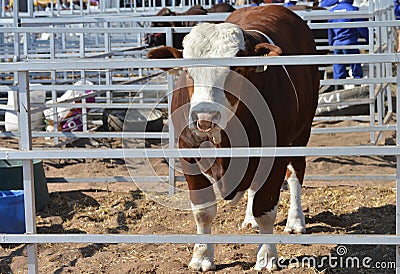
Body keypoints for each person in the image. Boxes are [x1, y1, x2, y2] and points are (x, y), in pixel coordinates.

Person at [327, 0, 369, 81]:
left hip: (337, 43)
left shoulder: (332, 10)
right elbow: (362, 27)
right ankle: (358, 84)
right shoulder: (353, 9)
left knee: (338, 69)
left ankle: (338, 87)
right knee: (355, 66)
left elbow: (330, 30)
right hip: (350, 42)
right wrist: (369, 39)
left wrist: (330, 43)